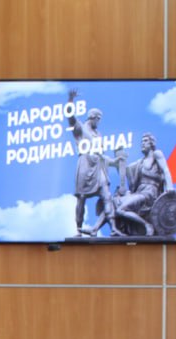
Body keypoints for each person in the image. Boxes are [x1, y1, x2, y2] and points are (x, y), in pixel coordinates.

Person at [66, 89, 112, 235]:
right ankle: (78, 229)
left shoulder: (98, 134)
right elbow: (70, 116)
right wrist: (70, 100)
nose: (99, 122)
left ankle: (102, 228)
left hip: (98, 167)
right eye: (98, 119)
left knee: (107, 196)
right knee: (81, 198)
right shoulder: (80, 128)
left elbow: (102, 154)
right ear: (93, 117)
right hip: (85, 164)